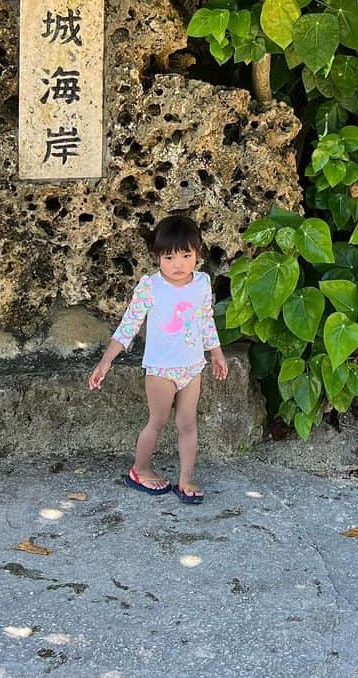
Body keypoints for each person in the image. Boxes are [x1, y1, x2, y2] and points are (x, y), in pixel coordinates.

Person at [88, 211, 229, 504]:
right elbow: (129, 326)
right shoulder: (151, 286)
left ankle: (186, 479)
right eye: (169, 258)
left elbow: (205, 320)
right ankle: (139, 470)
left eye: (185, 255)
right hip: (161, 370)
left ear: (198, 253)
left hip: (192, 368)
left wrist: (216, 353)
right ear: (156, 257)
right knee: (158, 421)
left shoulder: (202, 283)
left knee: (188, 423)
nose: (178, 265)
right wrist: (105, 362)